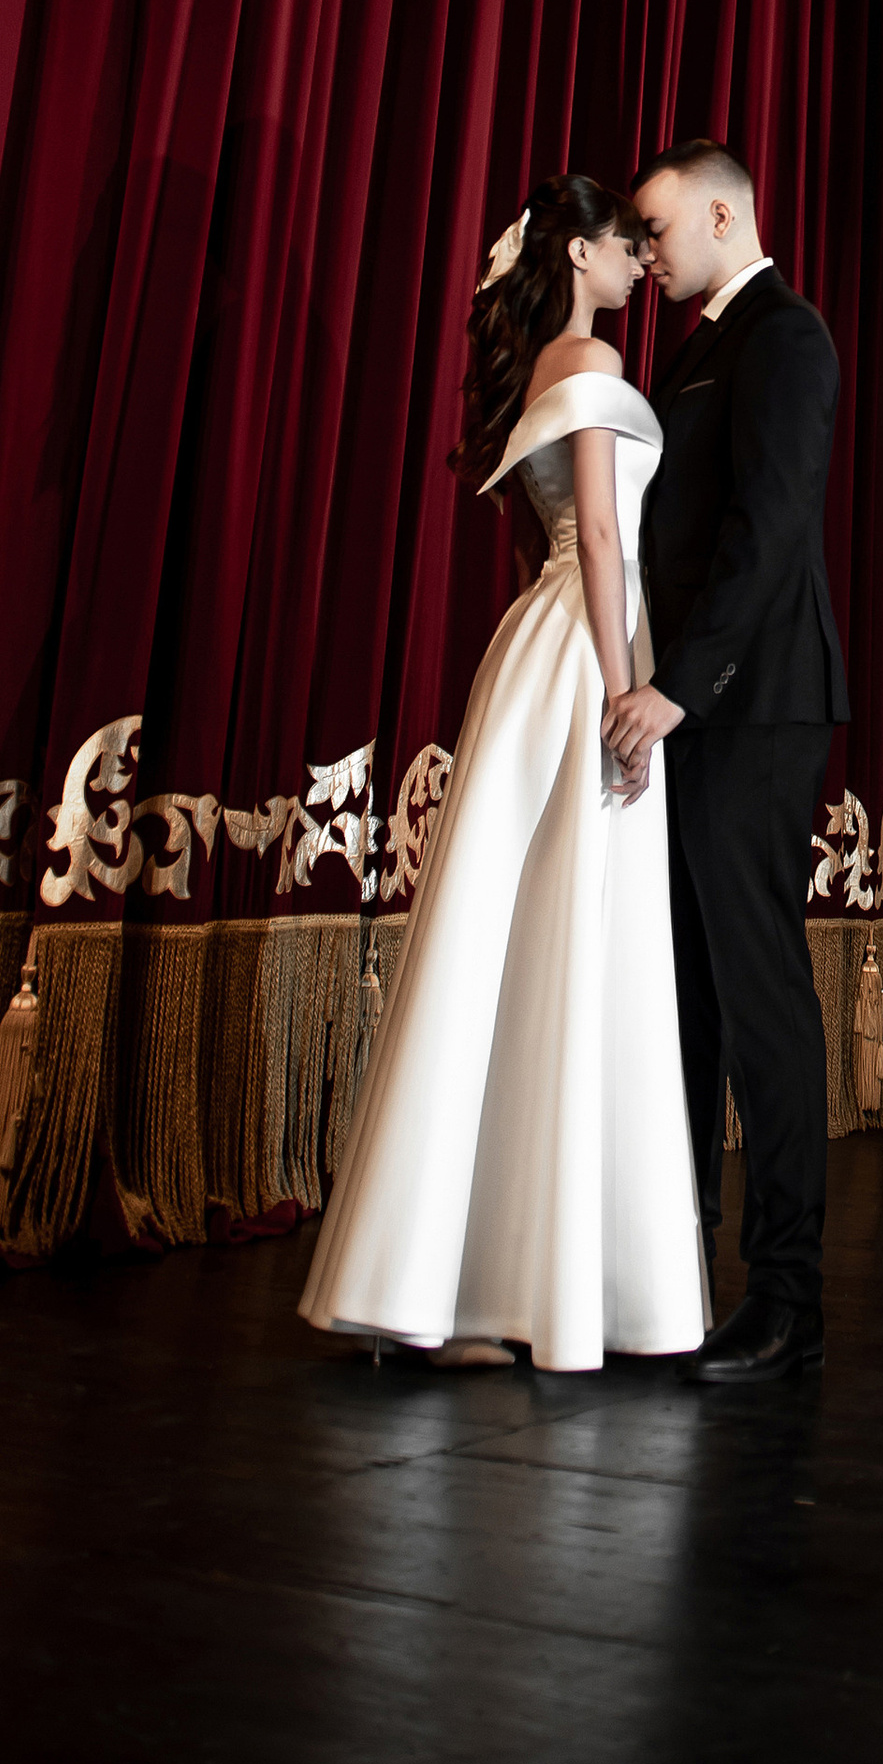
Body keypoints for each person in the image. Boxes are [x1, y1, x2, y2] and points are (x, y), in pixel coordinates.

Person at [299, 173, 707, 1373]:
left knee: (513, 947)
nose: (641, 264)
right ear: (578, 254)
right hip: (583, 652)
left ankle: (463, 1278)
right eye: (624, 247)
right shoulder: (591, 374)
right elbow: (598, 538)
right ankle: (521, 1283)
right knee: (562, 944)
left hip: (541, 649)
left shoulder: (548, 372)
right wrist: (633, 681)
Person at [606, 138, 845, 1387]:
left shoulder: (785, 336)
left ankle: (790, 1297)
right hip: (700, 706)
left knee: (759, 1001)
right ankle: (684, 1270)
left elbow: (768, 535)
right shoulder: (702, 343)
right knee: (693, 995)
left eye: (654, 230)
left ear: (719, 212)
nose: (646, 255)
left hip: (751, 707)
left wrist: (679, 692)